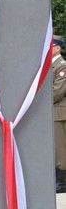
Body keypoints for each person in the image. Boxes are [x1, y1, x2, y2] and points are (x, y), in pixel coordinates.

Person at [53, 35, 66, 193]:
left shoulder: (61, 66)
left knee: (59, 148)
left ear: (57, 48)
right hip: (52, 112)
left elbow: (57, 91)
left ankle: (62, 182)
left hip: (58, 112)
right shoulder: (49, 66)